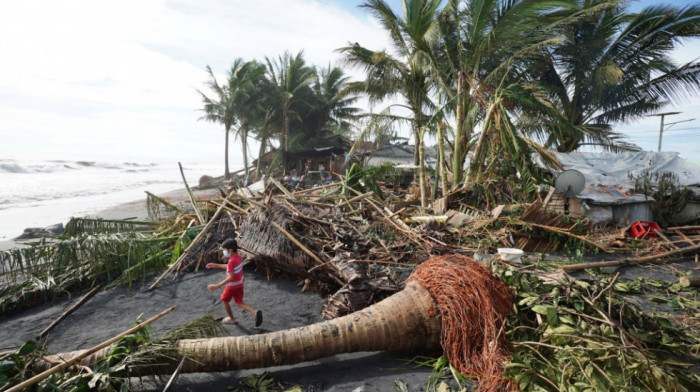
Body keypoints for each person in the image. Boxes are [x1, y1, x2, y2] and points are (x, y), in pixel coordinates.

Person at [206, 238, 263, 326]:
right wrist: (216, 265)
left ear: (230, 250)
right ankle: (254, 312)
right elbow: (230, 268)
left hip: (231, 286)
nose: (224, 252)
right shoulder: (238, 257)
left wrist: (216, 286)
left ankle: (232, 319)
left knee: (224, 300)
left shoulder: (231, 261)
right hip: (240, 284)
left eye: (224, 250)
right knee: (239, 302)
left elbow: (230, 277)